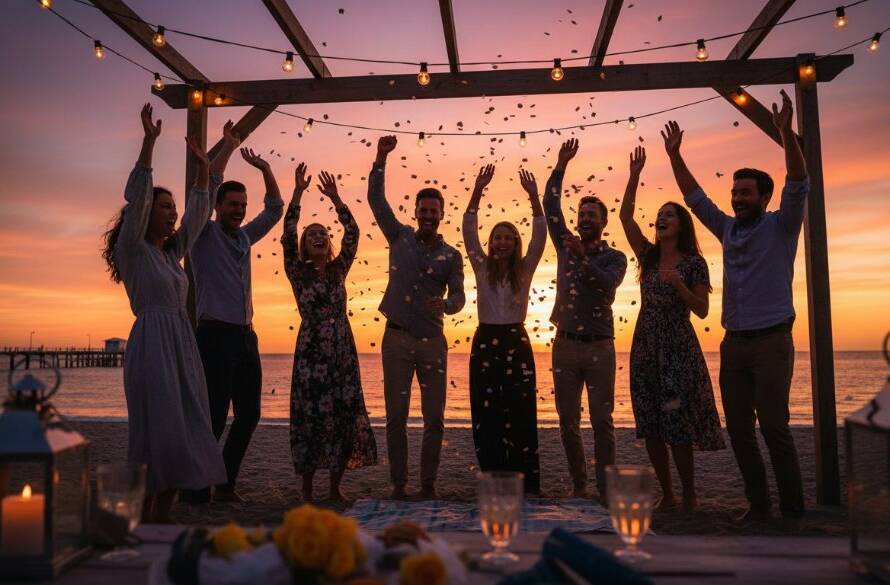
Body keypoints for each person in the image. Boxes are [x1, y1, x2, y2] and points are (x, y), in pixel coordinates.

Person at [661, 89, 809, 524]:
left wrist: (785, 136)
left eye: (746, 193)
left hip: (772, 343)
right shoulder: (727, 229)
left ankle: (794, 508)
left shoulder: (782, 225)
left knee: (776, 428)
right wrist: (674, 157)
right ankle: (759, 505)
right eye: (736, 192)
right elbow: (695, 198)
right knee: (741, 431)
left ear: (764, 197)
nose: (738, 198)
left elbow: (798, 181)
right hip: (734, 345)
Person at [101, 104, 225, 523]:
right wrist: (149, 143)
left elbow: (198, 215)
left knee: (189, 425)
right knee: (161, 430)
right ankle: (149, 515)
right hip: (152, 344)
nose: (172, 212)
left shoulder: (172, 255)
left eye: (173, 206)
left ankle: (161, 515)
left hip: (181, 344)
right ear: (146, 215)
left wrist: (206, 167)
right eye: (165, 207)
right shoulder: (133, 251)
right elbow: (135, 199)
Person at [619, 146, 725, 513]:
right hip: (646, 344)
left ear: (681, 225)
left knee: (677, 422)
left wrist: (679, 285)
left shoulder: (695, 263)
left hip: (678, 346)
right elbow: (625, 218)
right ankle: (667, 492)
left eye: (669, 215)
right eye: (659, 215)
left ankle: (690, 493)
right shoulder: (647, 257)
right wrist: (634, 175)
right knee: (650, 423)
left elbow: (703, 310)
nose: (661, 219)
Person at [188, 127, 285, 503]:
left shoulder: (245, 238)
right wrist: (228, 147)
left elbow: (274, 209)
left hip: (246, 336)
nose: (239, 210)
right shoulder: (203, 235)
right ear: (217, 206)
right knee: (212, 417)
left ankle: (225, 483)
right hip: (214, 335)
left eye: (242, 205)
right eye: (232, 204)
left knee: (249, 414)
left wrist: (264, 169)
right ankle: (194, 488)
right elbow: (207, 184)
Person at [368, 135, 465, 500]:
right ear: (416, 213)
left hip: (432, 343)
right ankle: (398, 483)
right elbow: (377, 201)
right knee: (395, 417)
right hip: (395, 338)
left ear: (441, 215)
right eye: (422, 210)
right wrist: (381, 158)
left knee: (434, 419)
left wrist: (449, 305)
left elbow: (459, 293)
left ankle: (427, 483)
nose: (427, 215)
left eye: (433, 211)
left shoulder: (452, 255)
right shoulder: (399, 236)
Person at [282, 166, 378, 502]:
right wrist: (297, 193)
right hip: (311, 352)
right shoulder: (297, 271)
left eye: (323, 233)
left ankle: (335, 487)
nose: (319, 236)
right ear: (304, 245)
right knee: (311, 416)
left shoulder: (339, 270)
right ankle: (307, 488)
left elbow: (353, 232)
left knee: (343, 414)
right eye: (312, 234)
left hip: (341, 351)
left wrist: (336, 198)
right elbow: (286, 233)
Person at [543, 138, 628, 500]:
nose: (585, 219)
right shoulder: (564, 242)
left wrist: (583, 259)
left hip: (600, 348)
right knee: (567, 423)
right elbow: (549, 204)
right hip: (564, 344)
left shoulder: (615, 257)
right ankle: (580, 485)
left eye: (593, 215)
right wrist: (561, 164)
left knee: (602, 422)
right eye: (582, 214)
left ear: (604, 222)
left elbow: (607, 287)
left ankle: (606, 489)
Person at [463, 165, 547, 495]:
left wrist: (534, 198)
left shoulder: (525, 269)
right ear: (491, 242)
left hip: (516, 339)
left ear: (515, 242)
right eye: (496, 237)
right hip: (485, 340)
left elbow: (540, 236)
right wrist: (477, 190)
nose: (501, 242)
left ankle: (527, 485)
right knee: (487, 414)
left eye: (507, 237)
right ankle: (494, 481)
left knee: (522, 412)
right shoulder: (481, 266)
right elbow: (469, 230)